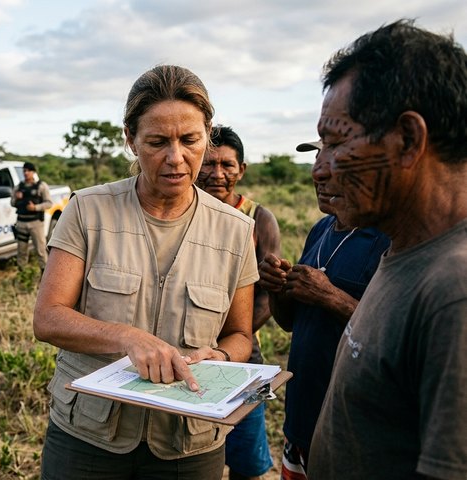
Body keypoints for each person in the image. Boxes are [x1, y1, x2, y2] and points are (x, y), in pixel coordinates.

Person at [33, 65, 258, 480]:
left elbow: (241, 335)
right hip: (88, 439)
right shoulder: (87, 210)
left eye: (190, 140)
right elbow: (48, 318)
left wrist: (222, 356)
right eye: (157, 142)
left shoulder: (237, 230)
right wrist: (127, 336)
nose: (176, 158)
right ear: (130, 140)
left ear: (207, 134)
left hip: (188, 446)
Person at [306, 19, 467, 479]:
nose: (320, 170)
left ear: (409, 140)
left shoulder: (455, 290)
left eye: (337, 142)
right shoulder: (404, 251)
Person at [258, 140, 389, 479]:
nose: (319, 174)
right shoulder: (320, 229)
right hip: (302, 417)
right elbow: (289, 324)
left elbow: (394, 334)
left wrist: (329, 295)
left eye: (334, 163)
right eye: (318, 161)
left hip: (350, 429)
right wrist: (279, 288)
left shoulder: (387, 238)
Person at [196, 125, 280, 480]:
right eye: (209, 164)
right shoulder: (180, 213)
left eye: (228, 165)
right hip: (186, 353)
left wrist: (232, 338)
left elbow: (270, 294)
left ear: (241, 170)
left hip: (243, 356)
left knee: (246, 456)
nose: (218, 174)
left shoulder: (259, 218)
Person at [11, 161, 52, 272]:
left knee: (40, 250)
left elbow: (49, 203)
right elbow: (12, 203)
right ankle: (23, 275)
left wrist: (35, 208)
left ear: (33, 172)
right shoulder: (18, 187)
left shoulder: (41, 186)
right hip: (22, 222)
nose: (26, 173)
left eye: (28, 171)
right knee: (21, 251)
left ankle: (45, 275)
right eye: (24, 171)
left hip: (36, 223)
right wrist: (16, 198)